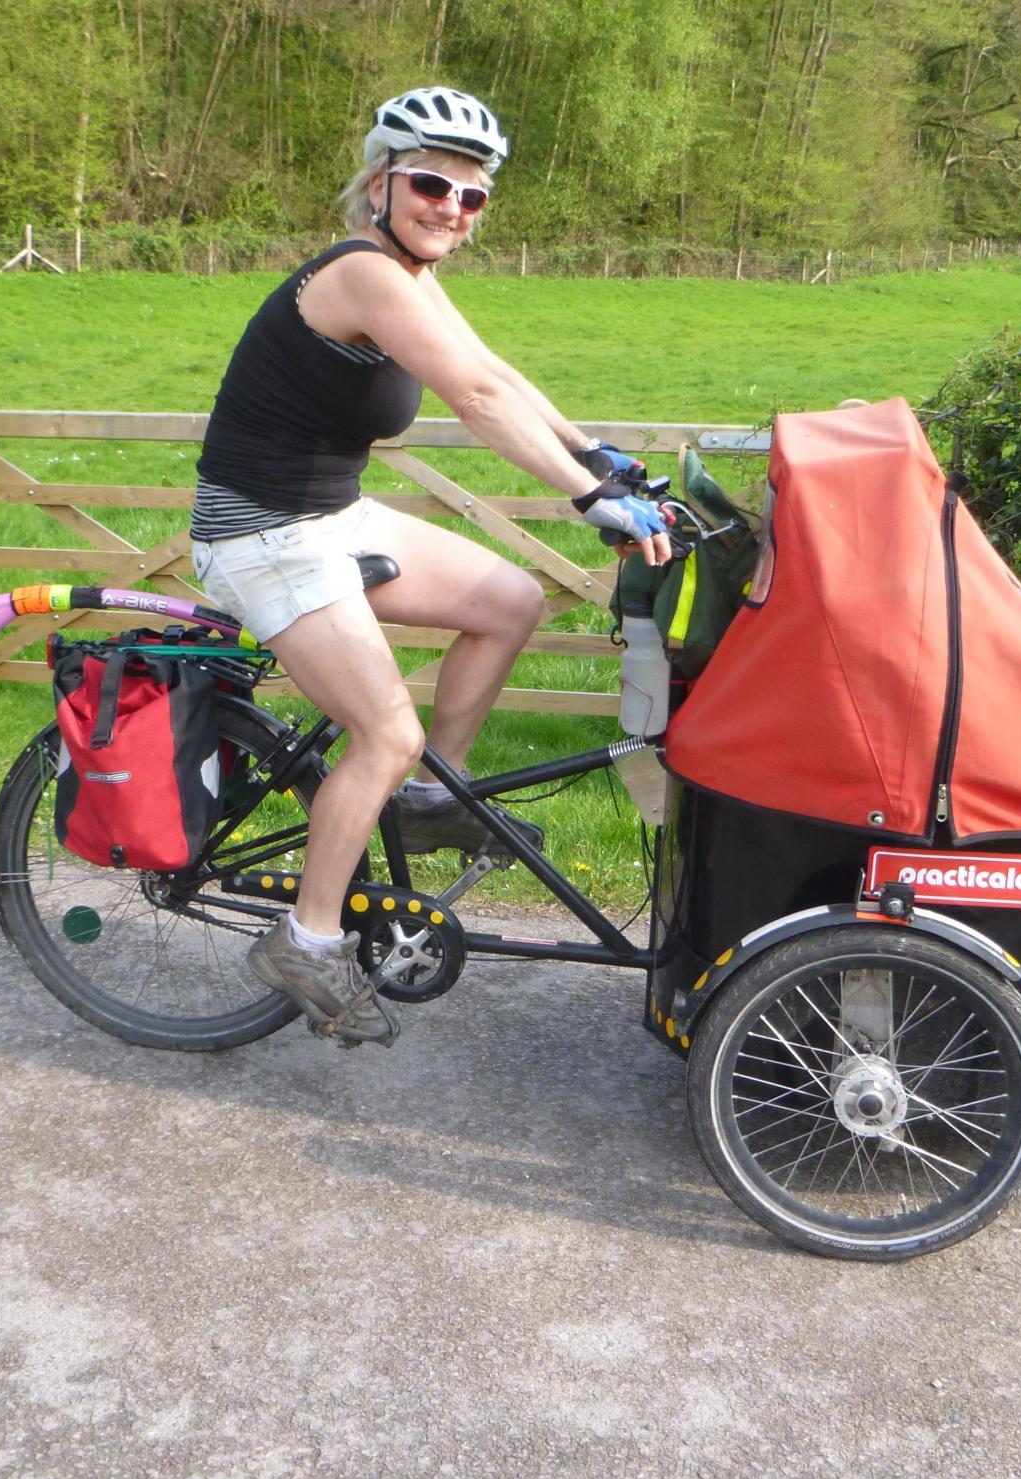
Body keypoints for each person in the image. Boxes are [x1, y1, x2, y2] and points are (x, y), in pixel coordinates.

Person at [191, 87, 672, 1044]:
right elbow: (476, 394)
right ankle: (308, 937)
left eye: (472, 195)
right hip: (261, 532)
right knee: (382, 730)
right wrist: (585, 497)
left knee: (509, 598)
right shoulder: (364, 274)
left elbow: (494, 363)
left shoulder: (412, 274)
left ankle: (420, 798)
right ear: (380, 184)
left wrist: (595, 452)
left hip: (328, 516)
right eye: (430, 183)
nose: (451, 206)